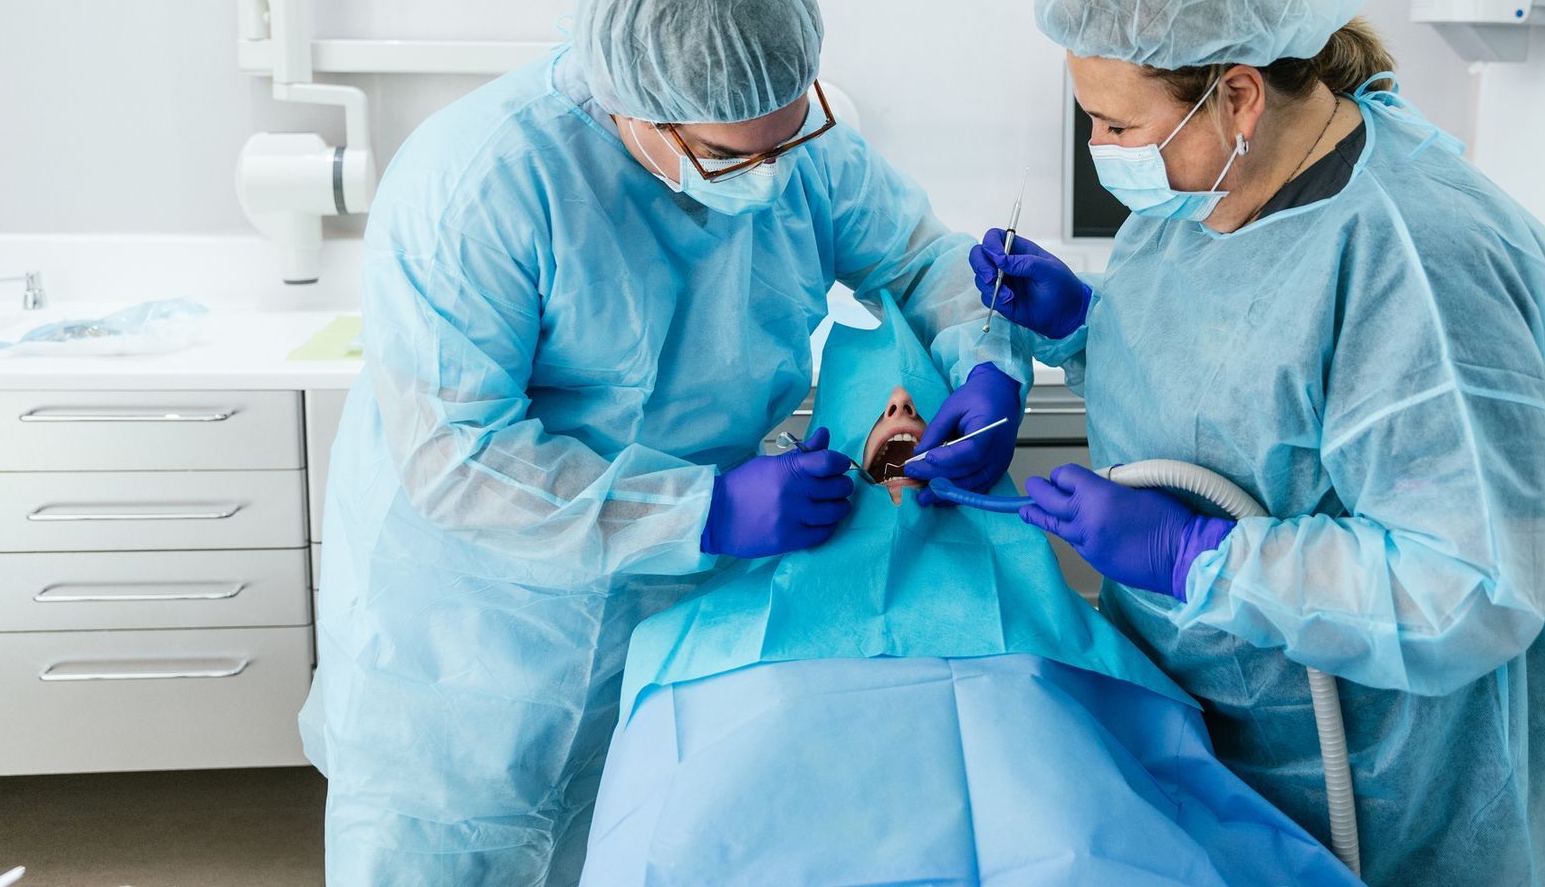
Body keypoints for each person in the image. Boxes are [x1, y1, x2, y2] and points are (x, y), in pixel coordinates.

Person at [300, 0, 1031, 886]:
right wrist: (708, 507)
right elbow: (459, 458)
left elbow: (921, 255)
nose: (772, 177)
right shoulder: (481, 185)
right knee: (454, 857)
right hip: (477, 634)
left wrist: (985, 362)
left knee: (651, 840)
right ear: (630, 107)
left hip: (682, 601)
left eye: (789, 136)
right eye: (733, 156)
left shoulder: (796, 140)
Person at [973, 0, 1545, 886]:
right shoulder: (1202, 197)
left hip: (1406, 776)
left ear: (1237, 95)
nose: (1098, 145)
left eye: (1117, 124)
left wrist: (1196, 554)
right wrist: (1083, 326)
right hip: (1245, 734)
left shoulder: (1415, 262)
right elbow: (1236, 391)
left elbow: (1468, 584)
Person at [578, 297, 1362, 887]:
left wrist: (997, 360)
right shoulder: (734, 602)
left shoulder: (1015, 567)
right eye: (882, 411)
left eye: (916, 405)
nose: (899, 411)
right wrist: (712, 511)